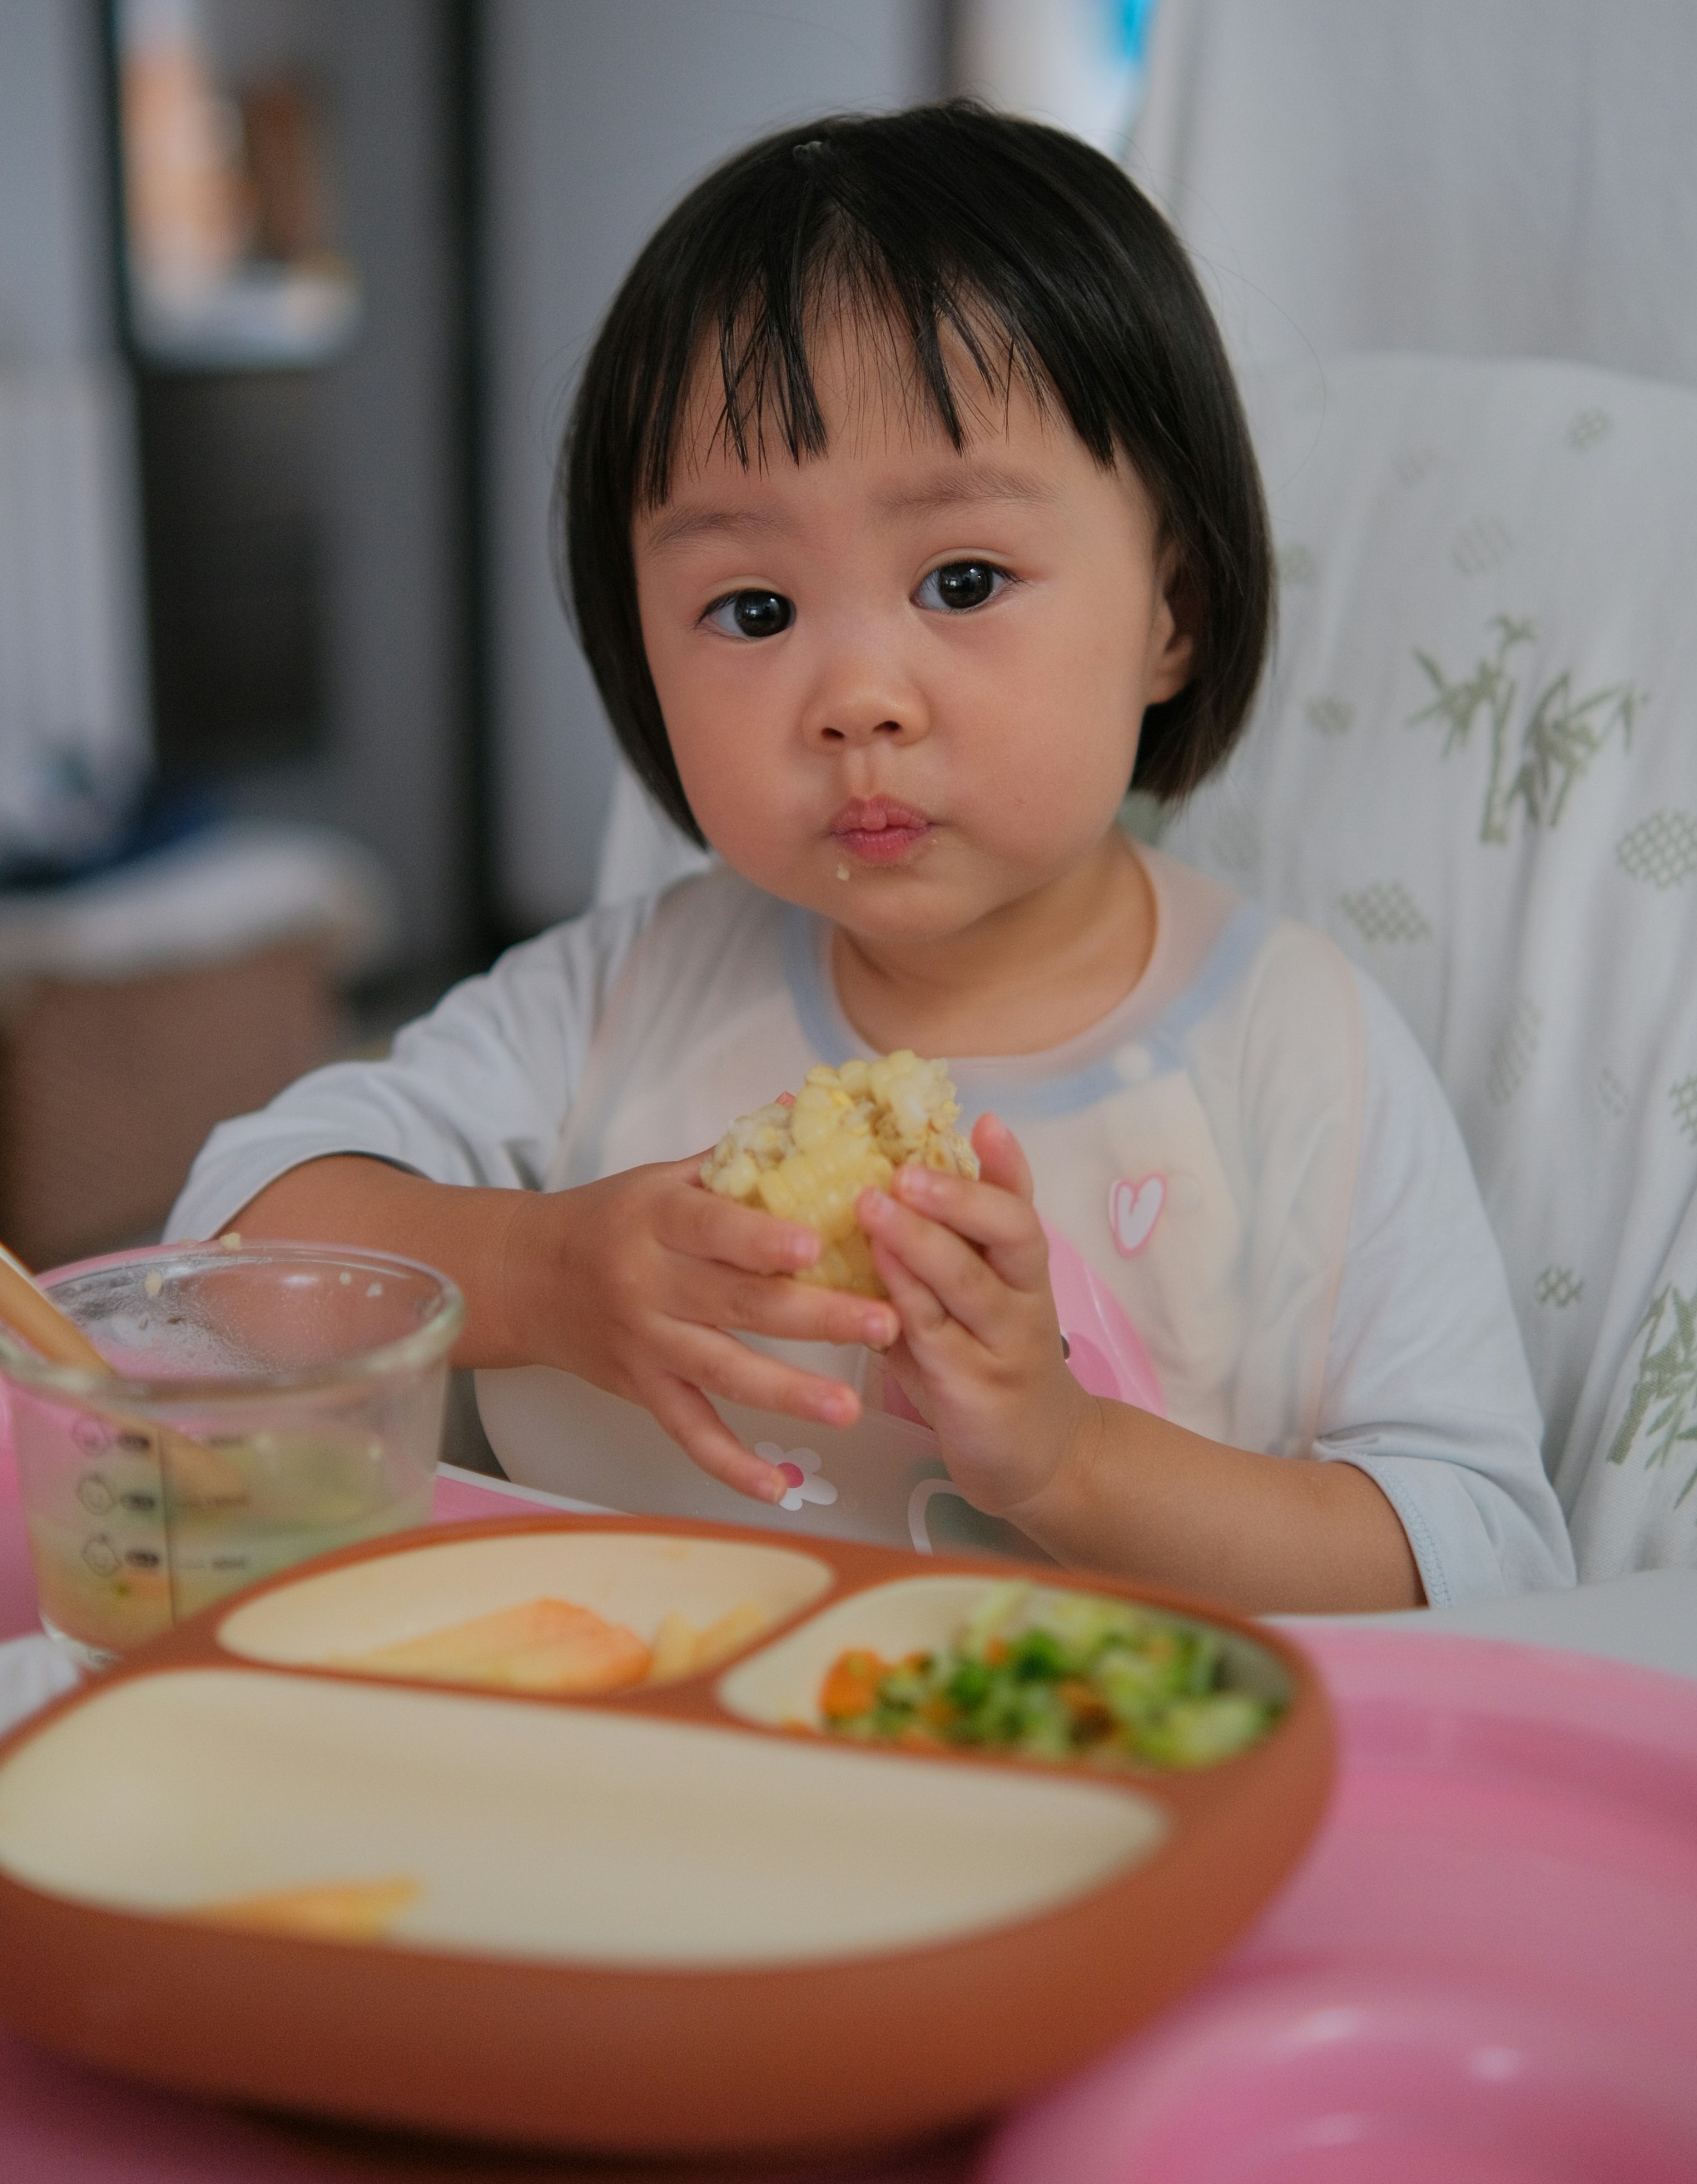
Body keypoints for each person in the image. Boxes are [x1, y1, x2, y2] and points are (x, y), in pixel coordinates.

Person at [167, 103, 1573, 1613]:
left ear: (1174, 611)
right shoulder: (619, 1001)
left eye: (962, 579)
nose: (855, 700)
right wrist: (548, 1274)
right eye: (754, 611)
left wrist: (1068, 1459)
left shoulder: (1297, 1050)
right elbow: (223, 1258)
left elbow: (1487, 1559)